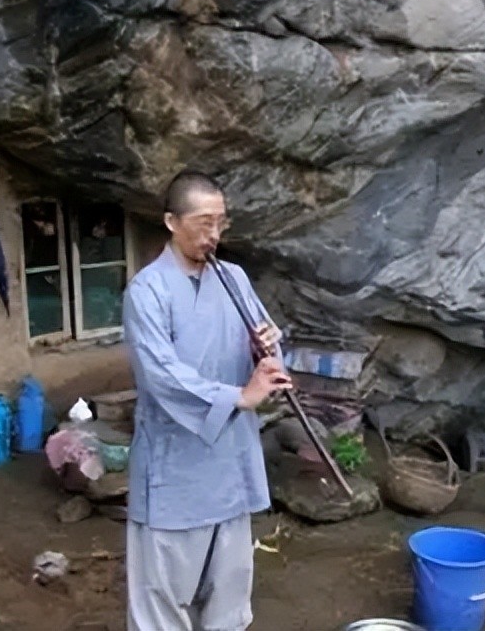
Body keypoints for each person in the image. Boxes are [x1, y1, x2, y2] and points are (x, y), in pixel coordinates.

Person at [122, 170, 292, 631]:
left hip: (229, 462)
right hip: (174, 468)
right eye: (203, 223)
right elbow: (161, 376)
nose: (214, 234)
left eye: (220, 222)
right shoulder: (147, 291)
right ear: (172, 222)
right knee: (163, 602)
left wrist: (266, 353)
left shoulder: (234, 278)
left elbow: (268, 357)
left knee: (228, 597)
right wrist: (239, 396)